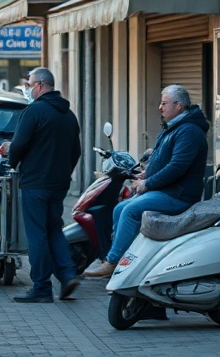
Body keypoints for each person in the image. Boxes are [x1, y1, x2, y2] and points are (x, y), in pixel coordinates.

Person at [86, 84, 209, 278]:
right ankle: (123, 260)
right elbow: (161, 158)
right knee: (119, 208)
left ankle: (113, 262)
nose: (160, 107)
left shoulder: (189, 131)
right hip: (166, 190)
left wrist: (147, 184)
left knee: (130, 211)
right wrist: (145, 174)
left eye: (164, 103)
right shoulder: (174, 127)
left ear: (179, 106)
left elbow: (177, 166)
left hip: (179, 194)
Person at [7, 67, 82, 303]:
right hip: (58, 184)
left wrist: (12, 164)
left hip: (35, 184)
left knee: (37, 234)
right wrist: (64, 174)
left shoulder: (34, 111)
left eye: (30, 86)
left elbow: (18, 145)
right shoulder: (68, 115)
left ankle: (41, 287)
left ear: (40, 85)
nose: (29, 90)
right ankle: (68, 274)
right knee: (54, 229)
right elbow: (76, 151)